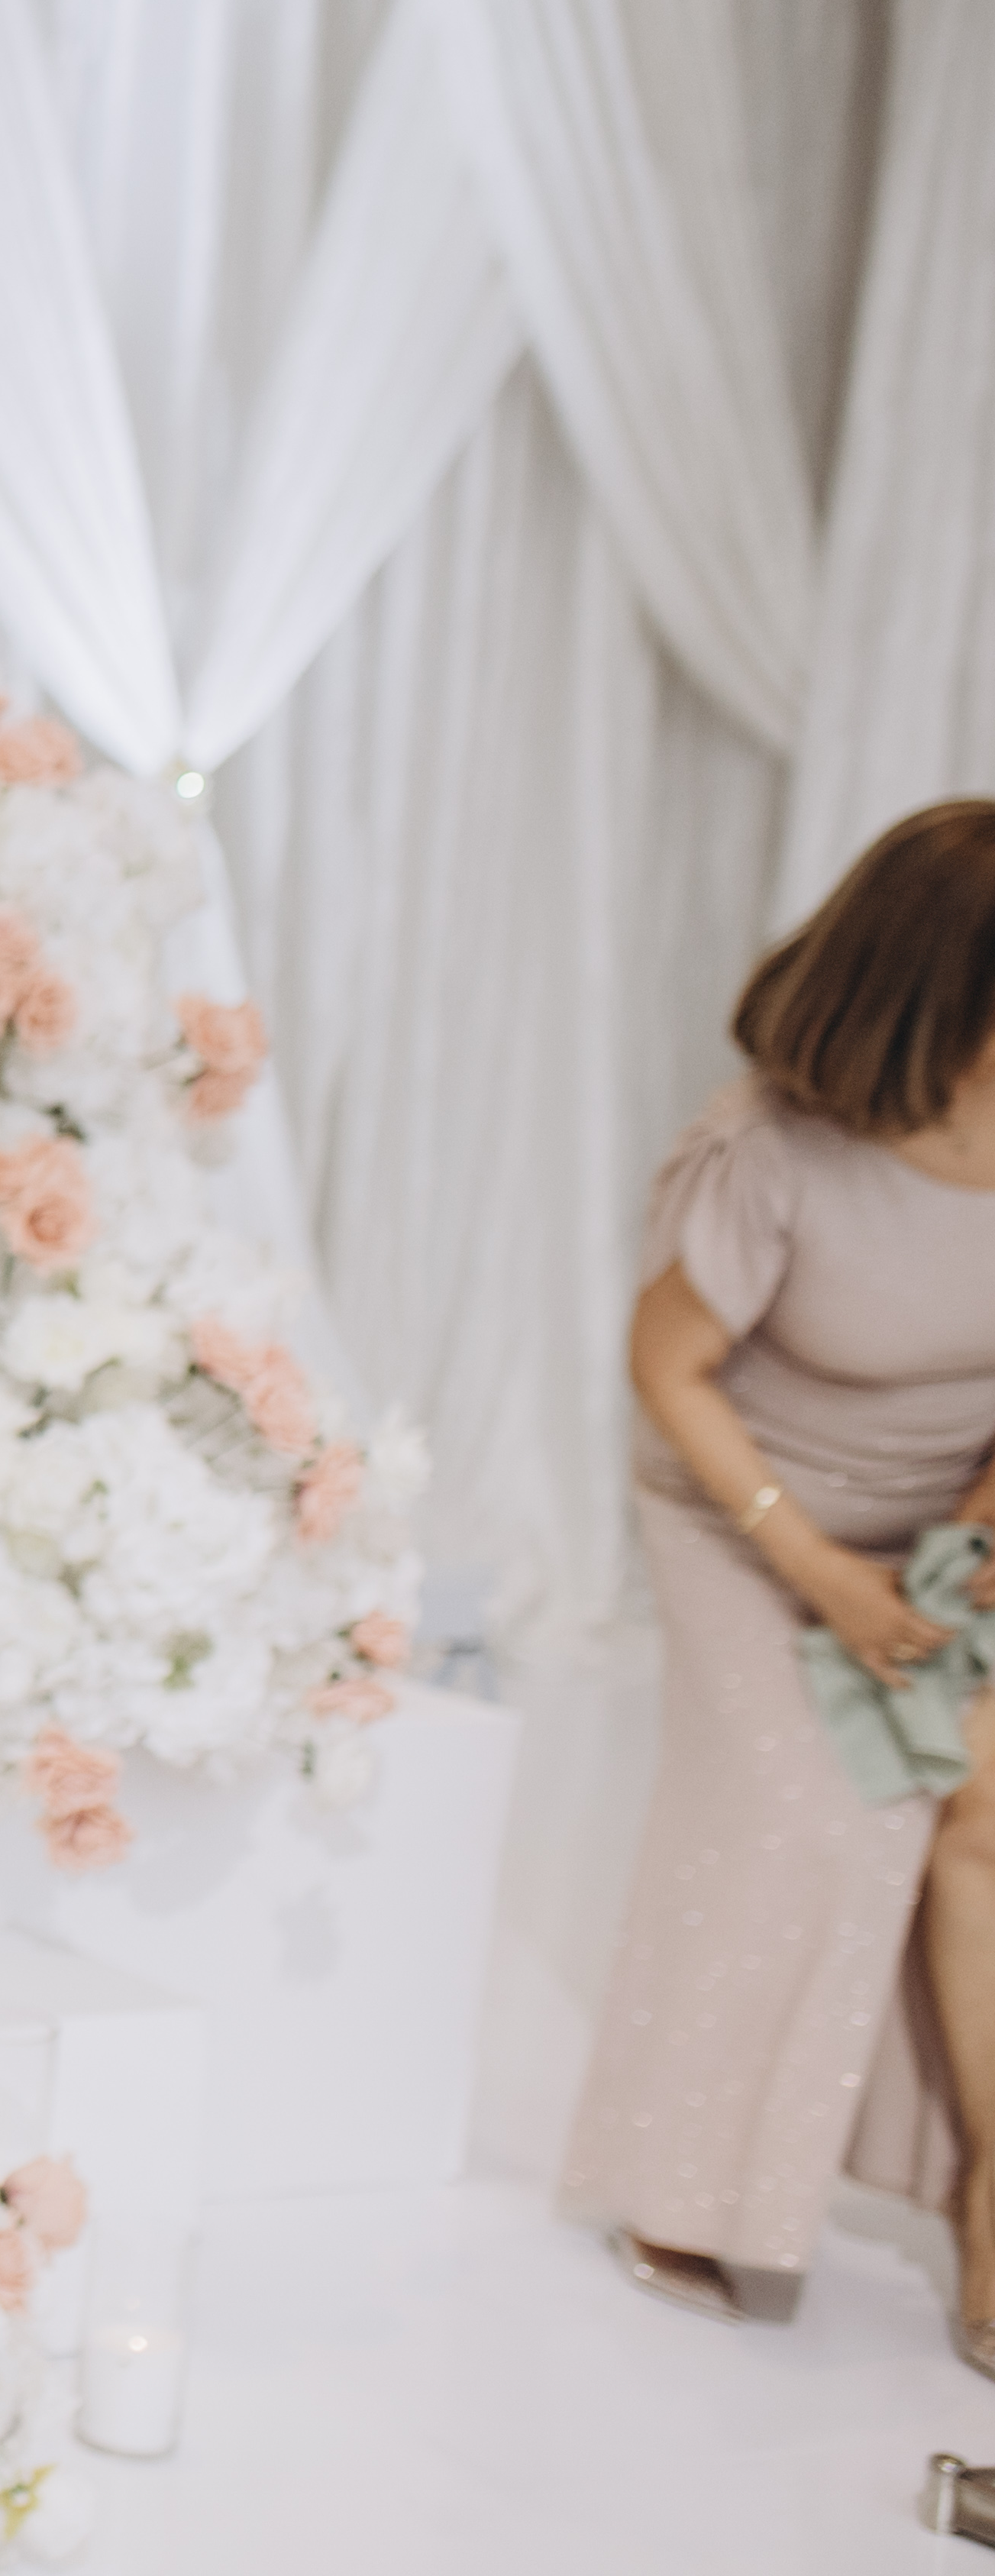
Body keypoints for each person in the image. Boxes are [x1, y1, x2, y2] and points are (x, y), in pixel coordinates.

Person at [567, 800, 995, 2351]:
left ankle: (978, 2195)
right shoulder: (771, 1148)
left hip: (948, 1532)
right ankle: (686, 2183)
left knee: (976, 1818)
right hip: (744, 1514)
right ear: (944, 992)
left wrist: (975, 1531)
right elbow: (666, 1368)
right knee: (812, 1810)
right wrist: (819, 1567)